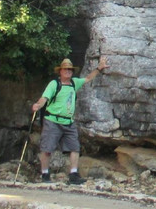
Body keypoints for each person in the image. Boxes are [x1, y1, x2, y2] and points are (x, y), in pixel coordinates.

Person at [32, 55, 108, 184]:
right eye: (65, 69)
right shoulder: (54, 84)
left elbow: (88, 78)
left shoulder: (74, 83)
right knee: (47, 149)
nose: (68, 71)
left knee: (75, 148)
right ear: (60, 71)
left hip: (68, 121)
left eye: (70, 70)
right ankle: (45, 174)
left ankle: (73, 174)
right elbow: (44, 98)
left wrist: (99, 68)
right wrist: (38, 105)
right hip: (52, 121)